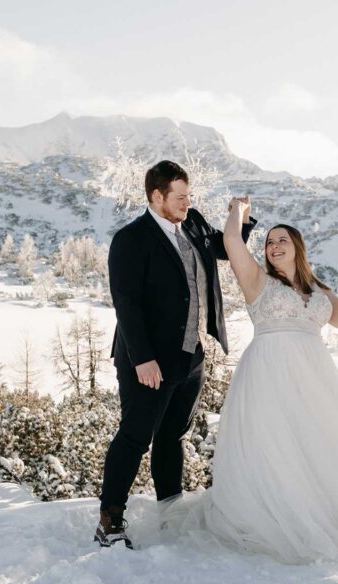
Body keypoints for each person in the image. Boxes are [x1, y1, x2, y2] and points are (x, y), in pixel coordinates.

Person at [156, 198, 338, 563]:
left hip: (312, 376)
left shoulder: (320, 292)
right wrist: (240, 211)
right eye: (269, 242)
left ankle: (311, 513)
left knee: (309, 442)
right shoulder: (257, 280)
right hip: (267, 371)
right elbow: (233, 241)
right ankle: (267, 517)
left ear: (298, 246)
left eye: (282, 239)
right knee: (273, 442)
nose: (275, 245)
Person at [95, 161, 256, 548]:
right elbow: (126, 303)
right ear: (156, 196)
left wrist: (243, 219)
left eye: (189, 196)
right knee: (135, 437)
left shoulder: (195, 222)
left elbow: (222, 248)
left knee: (173, 437)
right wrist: (142, 358)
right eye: (180, 197)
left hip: (192, 356)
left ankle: (170, 512)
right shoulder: (131, 239)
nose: (188, 202)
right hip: (148, 360)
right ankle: (109, 521)